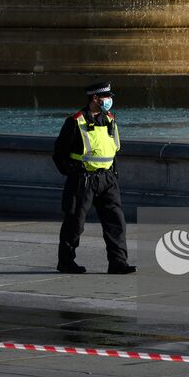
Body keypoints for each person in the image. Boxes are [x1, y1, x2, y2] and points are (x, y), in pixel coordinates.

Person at [52, 81, 136, 276]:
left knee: (116, 222)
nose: (109, 101)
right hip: (84, 180)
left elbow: (113, 149)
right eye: (106, 97)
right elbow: (59, 153)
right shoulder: (75, 121)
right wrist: (74, 172)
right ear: (95, 98)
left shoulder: (110, 119)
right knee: (75, 222)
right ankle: (66, 262)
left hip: (107, 179)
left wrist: (113, 174)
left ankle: (117, 262)